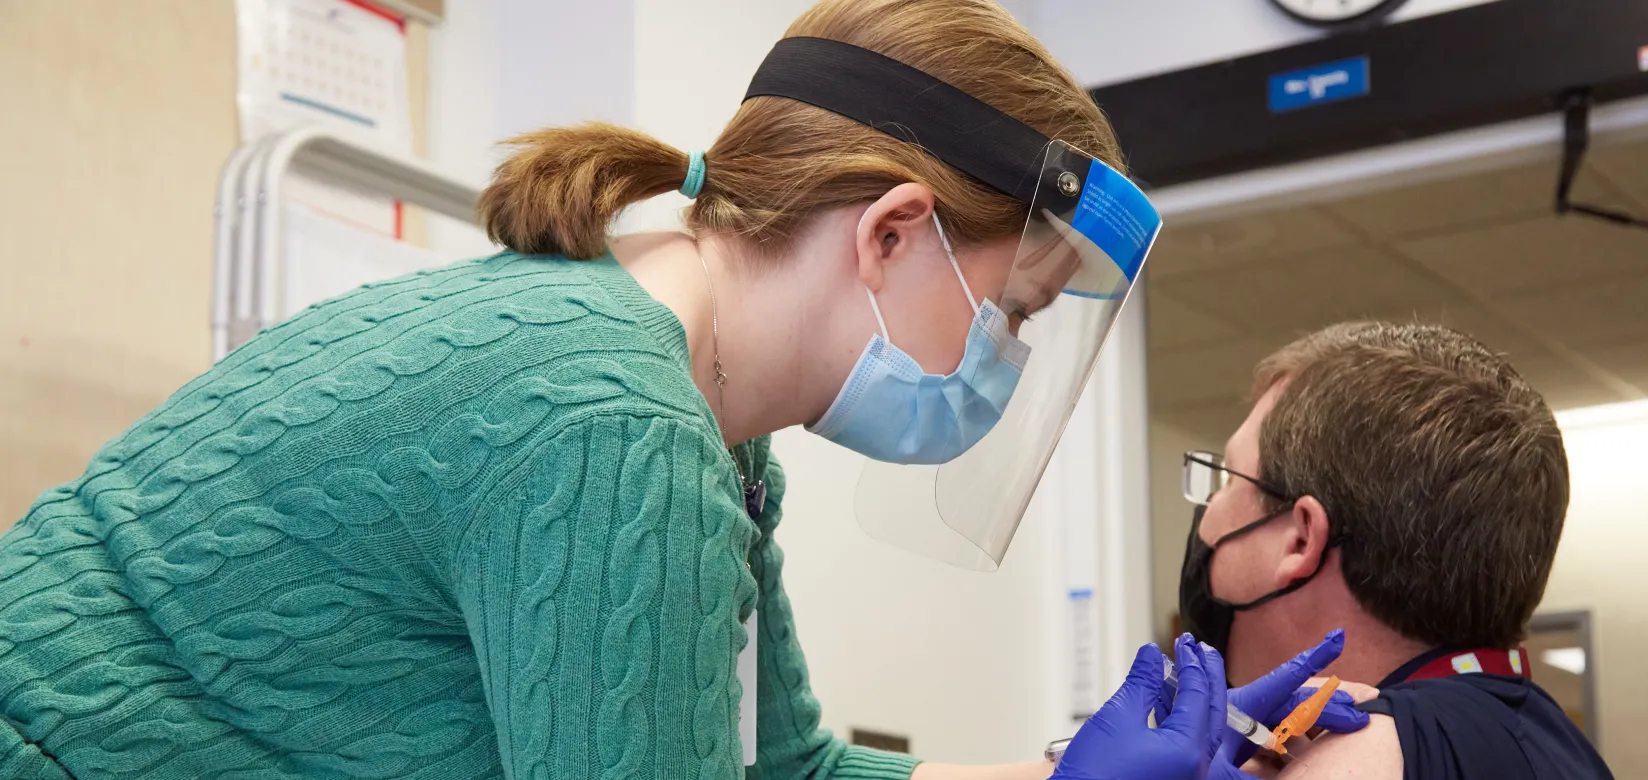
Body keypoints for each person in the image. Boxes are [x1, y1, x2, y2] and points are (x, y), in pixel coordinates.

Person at [0, 1, 1354, 778]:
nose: (999, 360)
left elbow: (789, 771)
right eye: (1011, 311)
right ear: (891, 233)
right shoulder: (616, 431)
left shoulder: (690, 413)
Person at [1176, 322, 1614, 780]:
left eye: (1230, 478)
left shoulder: (1356, 757)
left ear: (1301, 537)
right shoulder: (1560, 747)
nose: (1208, 510)